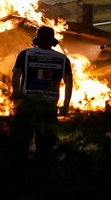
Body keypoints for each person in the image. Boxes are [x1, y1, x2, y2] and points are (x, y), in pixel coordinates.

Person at [10, 25, 72, 158]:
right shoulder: (63, 59)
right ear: (52, 42)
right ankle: (43, 174)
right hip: (49, 108)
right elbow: (69, 82)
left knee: (20, 146)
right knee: (46, 149)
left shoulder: (25, 54)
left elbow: (16, 76)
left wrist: (17, 97)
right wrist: (66, 105)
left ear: (37, 40)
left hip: (27, 106)